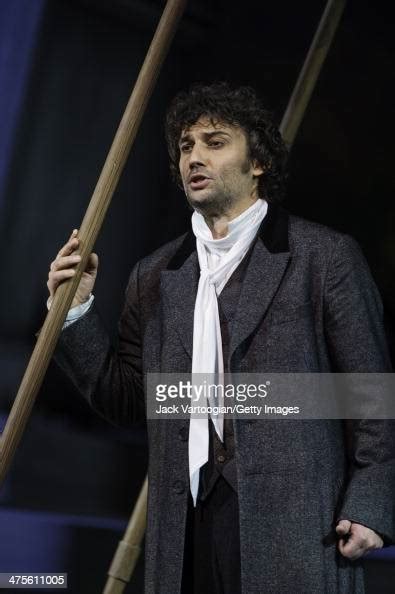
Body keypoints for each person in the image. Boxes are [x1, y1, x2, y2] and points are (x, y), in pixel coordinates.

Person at [47, 82, 394, 594]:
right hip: (186, 524)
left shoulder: (323, 258)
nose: (195, 157)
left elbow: (372, 394)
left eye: (215, 141)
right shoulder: (159, 272)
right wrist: (74, 313)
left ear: (258, 163)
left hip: (298, 526)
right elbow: (127, 399)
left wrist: (371, 504)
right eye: (186, 146)